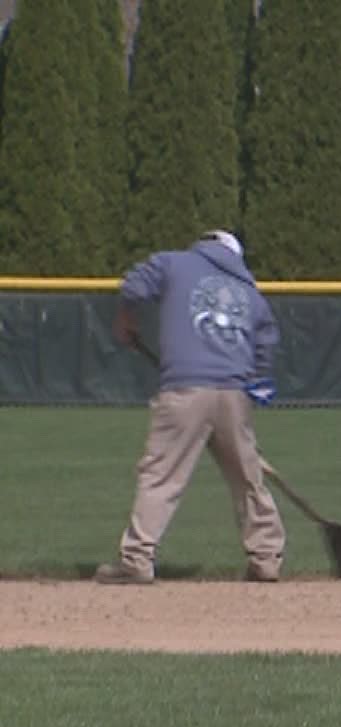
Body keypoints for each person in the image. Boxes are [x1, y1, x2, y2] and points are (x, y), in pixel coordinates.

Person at [94, 230, 286, 585]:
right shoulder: (250, 290)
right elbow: (266, 342)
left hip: (185, 389)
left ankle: (137, 558)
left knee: (161, 475)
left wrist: (126, 318)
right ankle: (266, 558)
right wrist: (254, 383)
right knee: (248, 479)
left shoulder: (173, 262)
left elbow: (134, 286)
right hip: (234, 391)